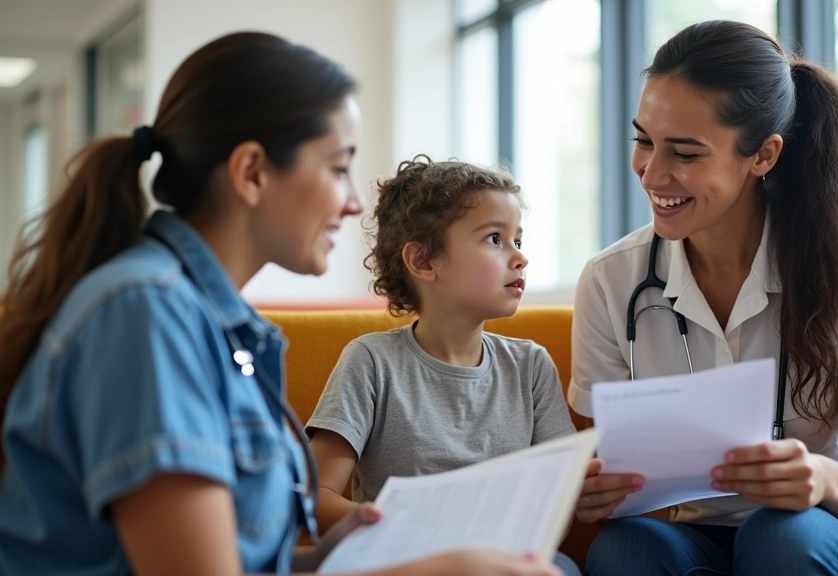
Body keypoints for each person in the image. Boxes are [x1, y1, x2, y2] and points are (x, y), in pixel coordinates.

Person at [0, 32, 560, 576]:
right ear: (252, 172)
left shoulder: (205, 321)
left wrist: (384, 556)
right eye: (338, 168)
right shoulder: (147, 317)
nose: (353, 203)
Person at [568, 20, 838, 576]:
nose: (651, 173)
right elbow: (617, 493)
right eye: (644, 140)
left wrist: (819, 477)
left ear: (763, 156)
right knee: (624, 548)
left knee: (781, 539)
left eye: (685, 153)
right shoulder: (611, 281)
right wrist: (594, 496)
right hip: (697, 541)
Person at [306, 156, 581, 576]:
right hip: (403, 560)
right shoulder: (371, 361)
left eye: (518, 241)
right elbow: (317, 494)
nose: (519, 258)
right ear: (423, 261)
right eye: (494, 238)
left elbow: (557, 494)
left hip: (504, 561)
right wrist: (399, 533)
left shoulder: (530, 366)